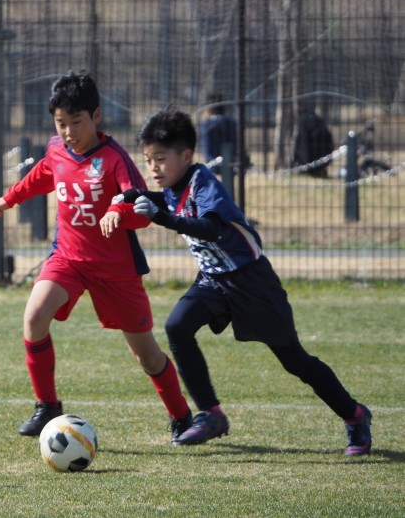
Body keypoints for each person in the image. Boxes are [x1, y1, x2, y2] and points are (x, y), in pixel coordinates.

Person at [107, 105, 372, 456]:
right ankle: (211, 415)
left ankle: (354, 416)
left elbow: (213, 227)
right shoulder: (172, 185)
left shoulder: (203, 182)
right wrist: (134, 196)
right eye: (148, 159)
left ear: (186, 156)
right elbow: (165, 201)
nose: (152, 168)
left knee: (295, 361)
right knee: (177, 327)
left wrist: (162, 218)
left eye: (160, 158)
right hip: (213, 281)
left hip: (251, 282)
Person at [0, 71, 192, 443]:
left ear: (96, 117)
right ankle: (47, 405)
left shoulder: (114, 159)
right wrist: (9, 198)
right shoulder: (56, 150)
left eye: (75, 122)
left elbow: (142, 207)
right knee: (34, 316)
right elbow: (41, 176)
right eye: (60, 123)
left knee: (145, 355)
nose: (68, 132)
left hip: (116, 271)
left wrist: (119, 212)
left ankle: (181, 416)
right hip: (69, 259)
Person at [198, 93, 244, 174]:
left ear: (209, 109)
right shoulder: (232, 123)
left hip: (213, 166)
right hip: (233, 164)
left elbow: (207, 150)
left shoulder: (206, 125)